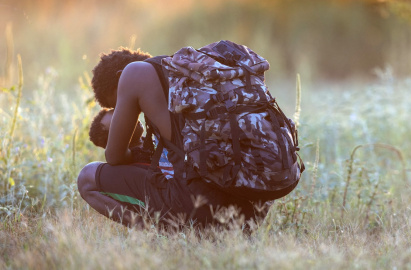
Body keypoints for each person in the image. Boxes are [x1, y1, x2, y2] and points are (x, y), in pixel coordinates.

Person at [77, 48, 270, 230]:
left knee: (87, 178)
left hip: (201, 207)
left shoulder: (132, 74)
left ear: (120, 76)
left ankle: (153, 232)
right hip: (253, 205)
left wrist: (131, 150)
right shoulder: (182, 71)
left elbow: (114, 157)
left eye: (118, 105)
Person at [89, 108, 173, 178]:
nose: (128, 116)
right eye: (119, 121)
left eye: (120, 112)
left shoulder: (149, 140)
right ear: (114, 140)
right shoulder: (134, 160)